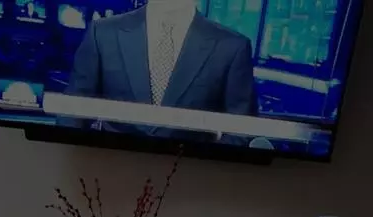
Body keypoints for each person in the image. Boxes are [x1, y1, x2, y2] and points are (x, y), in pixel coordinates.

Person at [57, 0, 258, 144]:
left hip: (193, 180)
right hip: (105, 174)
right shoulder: (102, 33)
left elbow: (240, 129)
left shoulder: (232, 47)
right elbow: (73, 113)